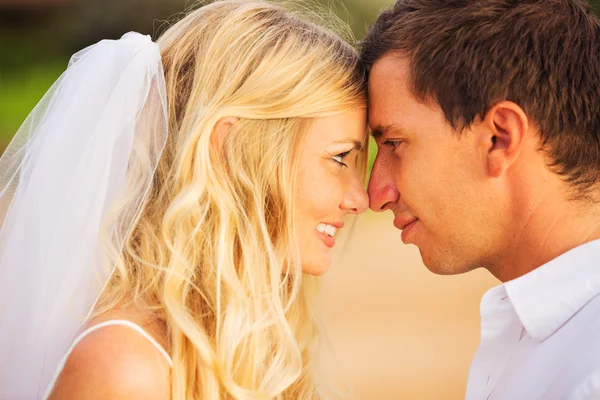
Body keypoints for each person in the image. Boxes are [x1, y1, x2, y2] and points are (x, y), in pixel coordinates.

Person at [0, 1, 369, 398]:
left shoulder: (249, 340)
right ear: (231, 149)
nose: (360, 198)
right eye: (339, 158)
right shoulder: (125, 371)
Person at [362, 0, 600, 398]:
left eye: (395, 143)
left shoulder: (588, 371)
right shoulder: (537, 334)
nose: (375, 194)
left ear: (499, 138)